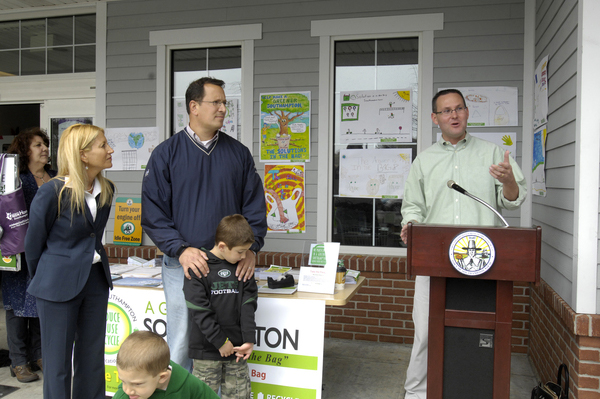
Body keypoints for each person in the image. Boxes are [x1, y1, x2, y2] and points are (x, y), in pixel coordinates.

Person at [400, 89, 527, 399]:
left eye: (458, 109)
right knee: (426, 333)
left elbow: (512, 200)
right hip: (433, 259)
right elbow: (413, 206)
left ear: (467, 113)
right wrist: (411, 226)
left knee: (480, 332)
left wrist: (509, 180)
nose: (453, 115)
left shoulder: (493, 153)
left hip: (483, 260)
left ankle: (480, 389)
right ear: (435, 118)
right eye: (446, 111)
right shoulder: (425, 160)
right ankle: (417, 393)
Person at [141, 77, 267, 372]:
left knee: (227, 339)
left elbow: (254, 209)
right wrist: (181, 249)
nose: (223, 108)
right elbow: (153, 213)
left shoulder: (239, 154)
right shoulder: (166, 154)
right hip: (184, 265)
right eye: (217, 102)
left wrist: (252, 249)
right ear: (194, 107)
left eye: (225, 103)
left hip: (230, 267)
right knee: (182, 340)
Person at [24, 124, 115, 399]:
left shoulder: (107, 188)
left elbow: (93, 238)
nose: (110, 149)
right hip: (56, 286)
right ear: (83, 154)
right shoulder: (53, 191)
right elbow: (33, 245)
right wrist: (47, 279)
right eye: (103, 145)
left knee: (92, 360)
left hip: (95, 281)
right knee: (58, 365)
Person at [3, 128, 56, 382]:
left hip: (49, 251)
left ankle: (39, 355)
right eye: (37, 145)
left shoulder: (56, 176)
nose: (44, 149)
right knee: (17, 305)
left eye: (45, 144)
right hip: (19, 252)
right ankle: (18, 361)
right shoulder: (15, 180)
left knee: (40, 302)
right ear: (25, 150)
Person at [184, 214, 257, 398]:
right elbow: (200, 311)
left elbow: (248, 305)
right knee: (203, 395)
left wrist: (248, 339)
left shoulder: (243, 268)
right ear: (223, 246)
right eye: (240, 251)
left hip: (237, 351)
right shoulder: (198, 267)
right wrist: (220, 341)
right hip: (206, 351)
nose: (244, 256)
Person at [113, 331, 220, 399]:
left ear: (162, 377)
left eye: (137, 384)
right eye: (123, 381)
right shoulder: (125, 396)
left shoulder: (189, 385)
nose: (127, 390)